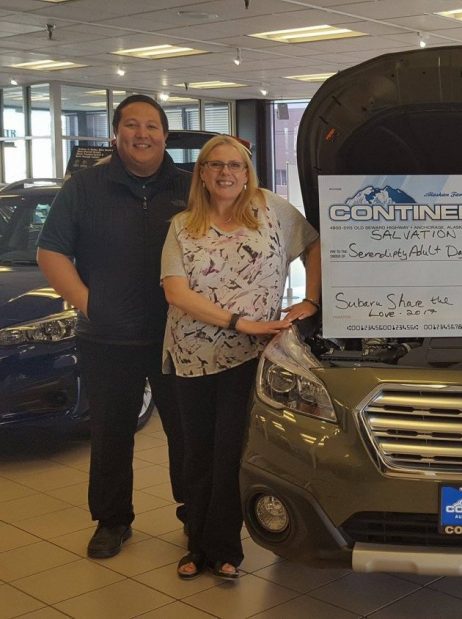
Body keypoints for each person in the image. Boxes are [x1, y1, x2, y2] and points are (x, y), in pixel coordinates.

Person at [37, 94, 190, 559]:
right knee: (110, 432)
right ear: (115, 132)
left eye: (151, 126)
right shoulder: (84, 187)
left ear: (165, 135)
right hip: (107, 336)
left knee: (186, 431)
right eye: (131, 125)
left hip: (177, 336)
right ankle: (112, 520)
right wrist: (88, 303)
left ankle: (194, 512)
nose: (141, 134)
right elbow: (52, 251)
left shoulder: (189, 187)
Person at [161, 135, 320, 580]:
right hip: (191, 356)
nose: (226, 173)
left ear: (248, 173)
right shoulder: (182, 225)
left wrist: (311, 300)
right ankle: (196, 544)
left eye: (235, 165)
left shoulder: (270, 210)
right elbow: (176, 292)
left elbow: (315, 245)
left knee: (230, 453)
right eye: (216, 165)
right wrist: (239, 321)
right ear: (203, 174)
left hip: (249, 357)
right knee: (196, 455)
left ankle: (226, 546)